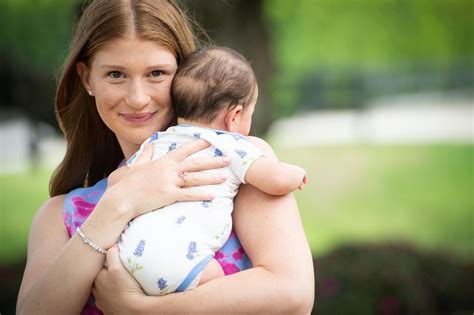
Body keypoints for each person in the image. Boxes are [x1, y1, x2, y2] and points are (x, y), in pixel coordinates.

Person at [16, 0, 314, 314]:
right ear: (88, 79)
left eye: (157, 73)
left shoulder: (236, 161)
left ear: (186, 72)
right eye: (116, 74)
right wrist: (118, 206)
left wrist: (137, 309)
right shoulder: (61, 217)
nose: (137, 98)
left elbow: (293, 295)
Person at [115, 45, 308, 295]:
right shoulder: (233, 145)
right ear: (235, 115)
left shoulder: (157, 141)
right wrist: (296, 173)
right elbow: (275, 180)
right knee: (216, 285)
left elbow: (119, 181)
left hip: (129, 252)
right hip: (181, 263)